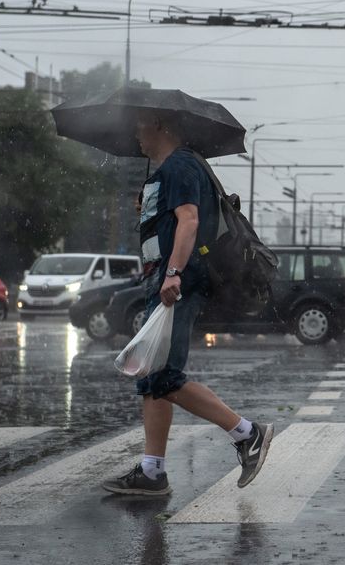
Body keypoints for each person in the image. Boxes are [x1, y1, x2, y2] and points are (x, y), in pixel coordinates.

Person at [101, 112, 273, 496]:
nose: (135, 132)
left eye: (140, 125)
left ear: (161, 125)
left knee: (163, 376)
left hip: (176, 282)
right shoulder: (173, 169)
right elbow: (174, 220)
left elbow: (189, 221)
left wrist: (173, 272)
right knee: (151, 376)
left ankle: (248, 433)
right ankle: (152, 470)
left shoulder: (179, 164)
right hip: (165, 279)